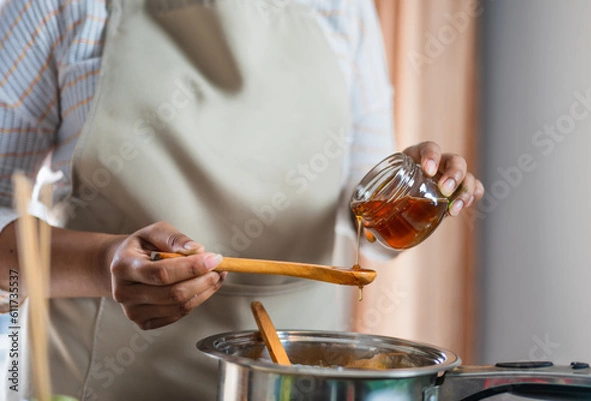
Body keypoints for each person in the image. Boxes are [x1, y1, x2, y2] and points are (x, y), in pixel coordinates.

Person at [0, 0, 484, 399]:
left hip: (297, 385)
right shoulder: (56, 7)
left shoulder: (345, 10)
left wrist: (418, 199)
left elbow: (372, 232)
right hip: (102, 381)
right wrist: (101, 264)